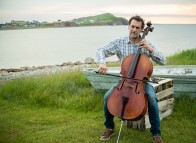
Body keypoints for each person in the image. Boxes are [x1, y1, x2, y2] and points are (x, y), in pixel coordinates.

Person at [96, 15, 166, 143]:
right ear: (128, 27)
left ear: (141, 30)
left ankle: (156, 133)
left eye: (137, 27)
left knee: (152, 99)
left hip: (141, 82)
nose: (134, 29)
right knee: (107, 97)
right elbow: (101, 50)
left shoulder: (147, 44)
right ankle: (109, 127)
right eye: (132, 26)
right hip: (124, 80)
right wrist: (102, 63)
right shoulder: (120, 42)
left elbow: (163, 61)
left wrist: (150, 50)